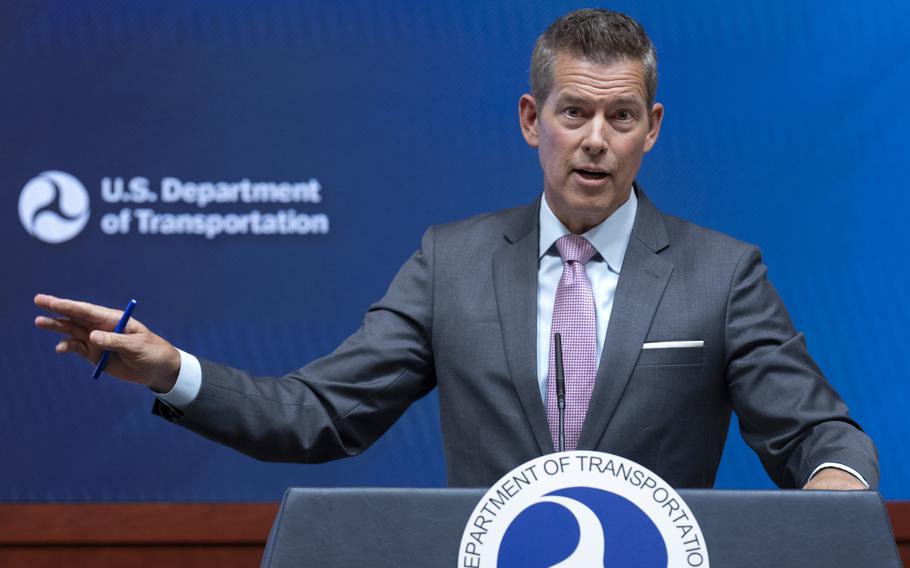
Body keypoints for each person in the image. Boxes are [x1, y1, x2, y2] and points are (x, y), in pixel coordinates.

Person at [34, 9, 876, 490]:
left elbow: (821, 437)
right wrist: (169, 368)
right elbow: (318, 415)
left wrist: (835, 490)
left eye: (620, 117)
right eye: (572, 112)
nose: (594, 140)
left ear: (650, 130)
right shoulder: (453, 263)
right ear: (529, 119)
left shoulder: (722, 274)